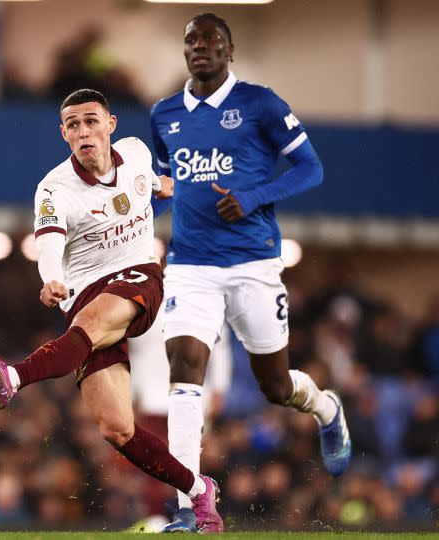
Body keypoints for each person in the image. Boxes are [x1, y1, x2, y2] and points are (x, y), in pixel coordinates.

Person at [0, 88, 224, 533]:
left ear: (110, 124)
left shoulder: (137, 155)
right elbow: (49, 243)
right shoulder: (53, 188)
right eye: (73, 124)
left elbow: (160, 187)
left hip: (139, 276)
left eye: (91, 121)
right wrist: (50, 278)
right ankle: (200, 493)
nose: (83, 131)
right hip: (82, 295)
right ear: (63, 133)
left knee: (89, 323)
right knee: (117, 429)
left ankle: (13, 377)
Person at [149, 13, 351, 532]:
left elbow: (312, 167)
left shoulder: (261, 103)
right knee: (184, 368)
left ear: (230, 49)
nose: (200, 47)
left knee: (275, 386)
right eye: (192, 39)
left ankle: (327, 409)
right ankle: (187, 506)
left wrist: (254, 197)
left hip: (253, 264)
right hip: (189, 266)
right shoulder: (164, 113)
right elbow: (168, 186)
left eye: (211, 39)